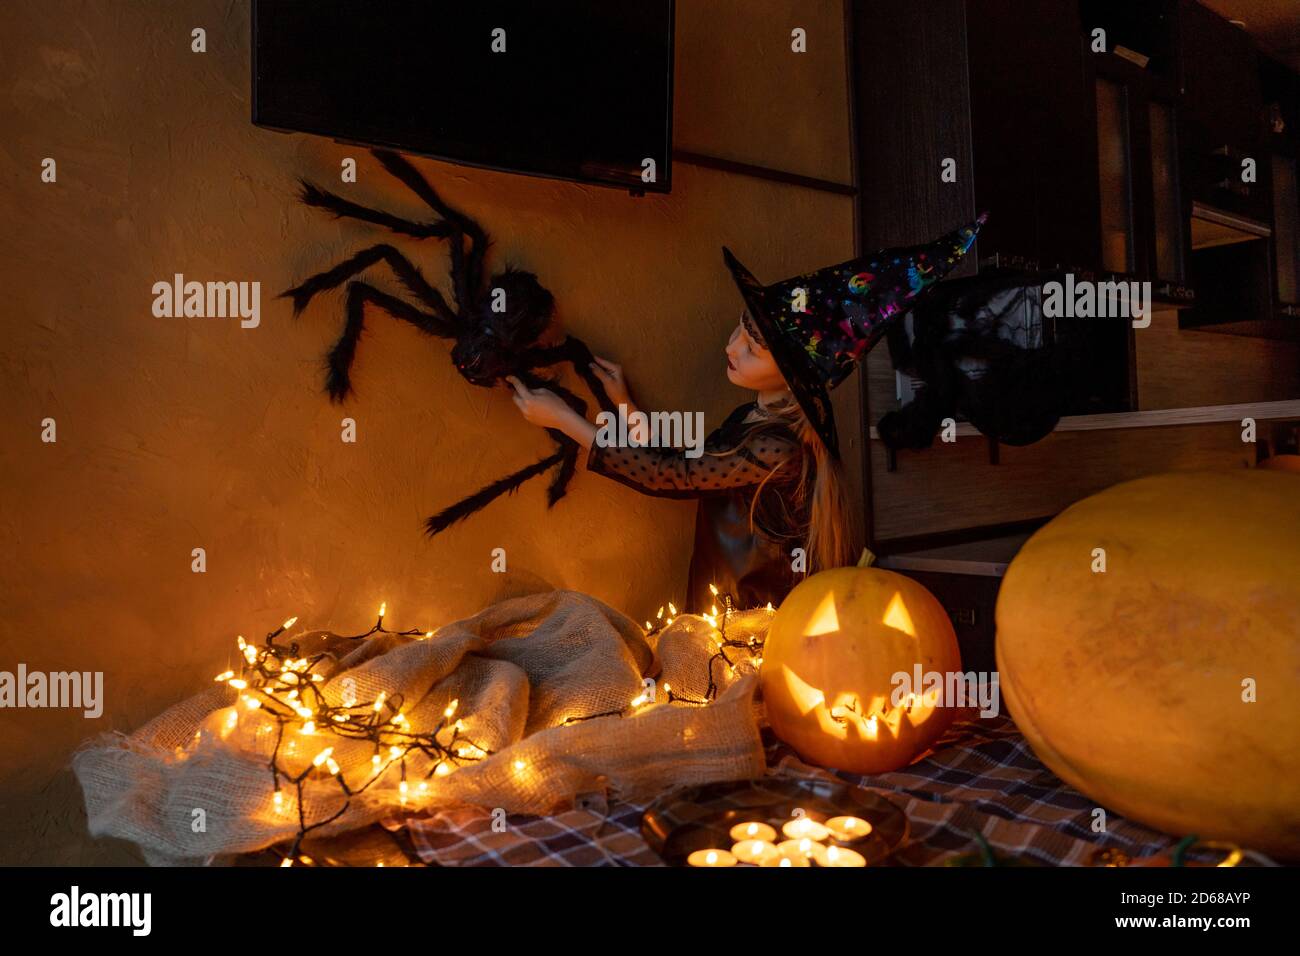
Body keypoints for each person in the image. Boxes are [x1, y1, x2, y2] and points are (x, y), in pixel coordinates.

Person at [507, 215, 985, 613]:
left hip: (750, 630)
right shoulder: (749, 420)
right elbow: (688, 462)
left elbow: (668, 476)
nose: (731, 347)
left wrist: (565, 421)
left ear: (794, 378)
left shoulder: (776, 448)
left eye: (752, 349)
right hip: (723, 609)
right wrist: (627, 404)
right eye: (740, 330)